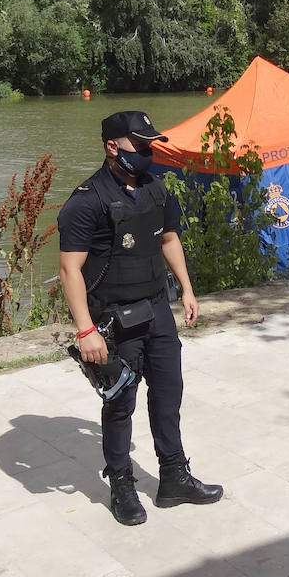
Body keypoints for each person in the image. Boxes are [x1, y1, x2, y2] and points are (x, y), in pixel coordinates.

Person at [57, 110, 222, 526]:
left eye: (151, 144)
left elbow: (169, 239)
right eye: (141, 145)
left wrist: (185, 288)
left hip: (156, 310)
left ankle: (174, 477)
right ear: (113, 146)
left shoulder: (157, 189)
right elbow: (69, 269)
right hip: (112, 321)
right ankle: (122, 485)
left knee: (168, 393)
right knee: (120, 402)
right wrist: (85, 330)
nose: (149, 152)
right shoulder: (87, 200)